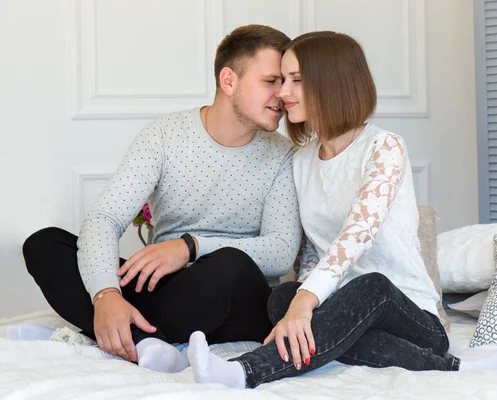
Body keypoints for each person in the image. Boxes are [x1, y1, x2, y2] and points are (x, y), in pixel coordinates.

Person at [185, 31, 497, 389]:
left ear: (331, 82)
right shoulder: (302, 160)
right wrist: (300, 298)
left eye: (297, 80)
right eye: (282, 80)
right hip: (341, 311)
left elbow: (356, 236)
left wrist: (306, 304)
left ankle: (244, 371)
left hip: (408, 316)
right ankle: (454, 369)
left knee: (371, 287)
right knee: (281, 298)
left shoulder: (383, 147)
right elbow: (313, 251)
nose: (283, 92)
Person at [15, 24, 302, 373]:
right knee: (44, 244)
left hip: (235, 300)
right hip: (168, 292)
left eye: (288, 82)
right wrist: (106, 295)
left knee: (231, 266)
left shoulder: (284, 155)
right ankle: (141, 341)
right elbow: (105, 218)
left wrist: (190, 247)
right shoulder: (165, 135)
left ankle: (98, 332)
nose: (283, 94)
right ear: (229, 81)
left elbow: (281, 250)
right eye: (272, 81)